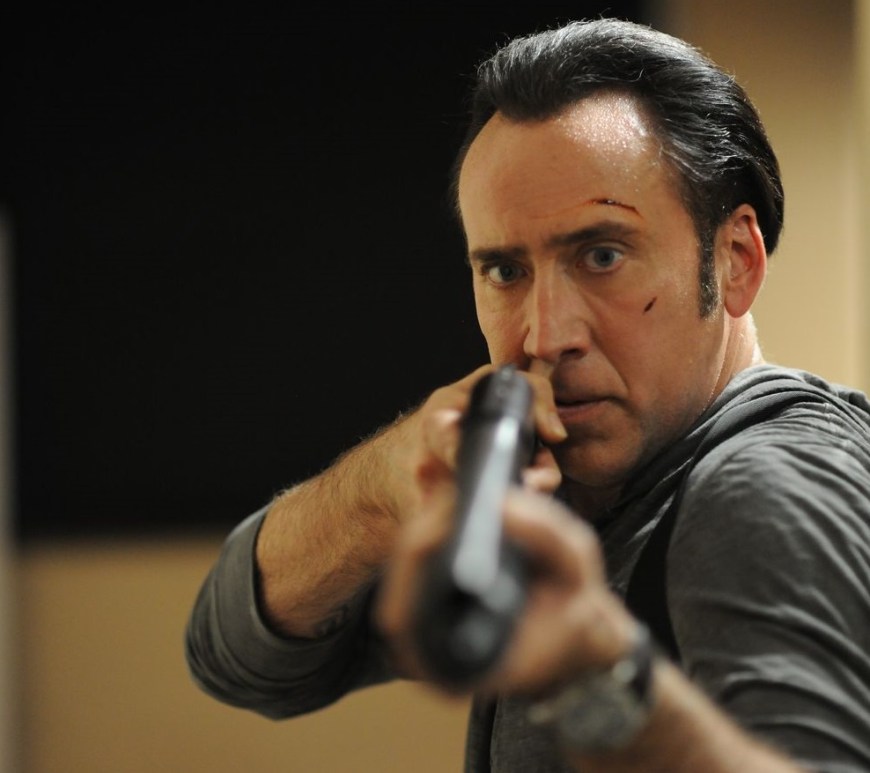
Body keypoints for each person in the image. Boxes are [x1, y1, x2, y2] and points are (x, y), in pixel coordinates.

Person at [185, 17, 870, 773]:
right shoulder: (573, 495)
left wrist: (592, 677)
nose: (545, 335)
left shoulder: (758, 488)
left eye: (601, 255)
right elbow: (236, 658)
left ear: (735, 260)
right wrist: (386, 485)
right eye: (506, 271)